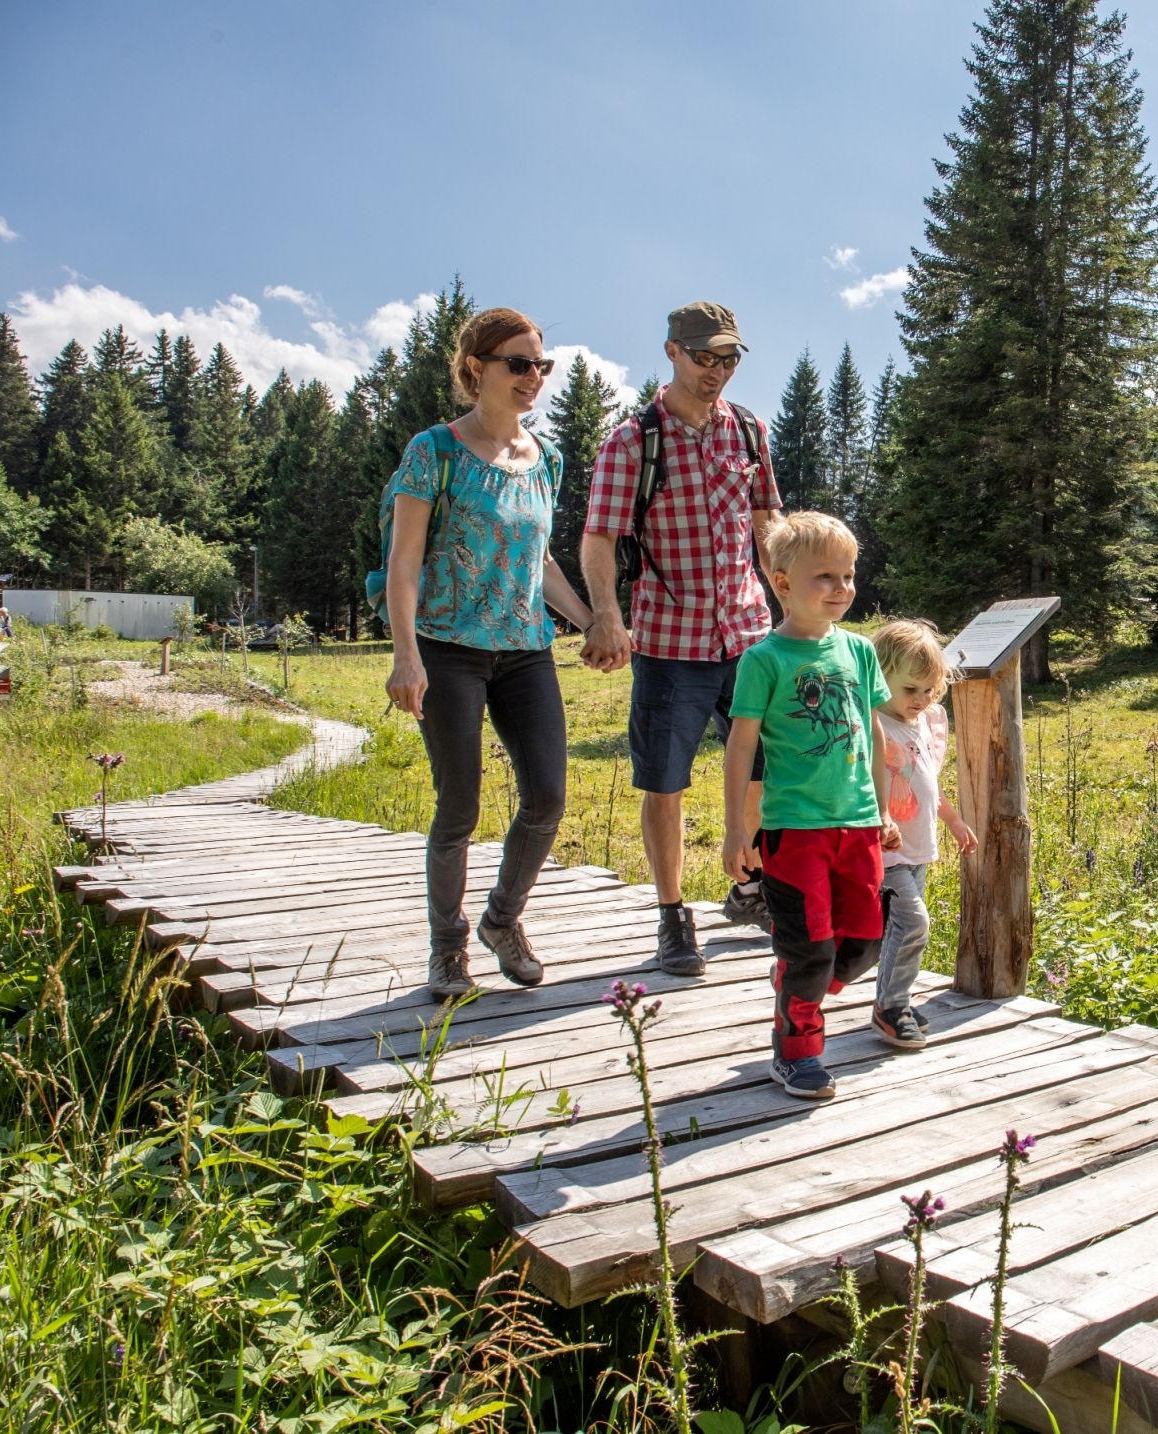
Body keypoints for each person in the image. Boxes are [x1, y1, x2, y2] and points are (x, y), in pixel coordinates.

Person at [381, 306, 601, 1000]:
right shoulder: (435, 451)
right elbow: (404, 563)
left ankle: (502, 921)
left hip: (524, 649)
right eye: (518, 363)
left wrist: (594, 621)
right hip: (448, 649)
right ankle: (447, 951)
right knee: (459, 807)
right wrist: (406, 655)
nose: (533, 377)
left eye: (541, 365)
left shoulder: (548, 458)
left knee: (547, 795)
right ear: (477, 368)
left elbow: (541, 563)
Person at [581, 301, 781, 976]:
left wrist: (798, 611)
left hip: (749, 636)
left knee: (761, 767)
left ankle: (749, 889)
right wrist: (607, 615)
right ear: (672, 352)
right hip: (670, 640)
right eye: (705, 358)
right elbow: (600, 537)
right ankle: (672, 917)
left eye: (729, 359)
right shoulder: (633, 441)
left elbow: (767, 527)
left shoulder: (749, 432)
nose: (717, 372)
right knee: (665, 781)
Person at [721, 513, 898, 1099]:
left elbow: (871, 733)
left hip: (859, 826)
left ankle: (797, 977)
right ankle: (796, 1052)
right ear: (782, 583)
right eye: (825, 576)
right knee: (811, 948)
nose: (843, 588)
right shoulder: (764, 660)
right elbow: (741, 746)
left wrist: (883, 808)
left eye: (848, 575)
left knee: (864, 942)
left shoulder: (858, 652)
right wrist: (734, 832)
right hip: (793, 832)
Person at [867, 620, 978, 1048]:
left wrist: (952, 818)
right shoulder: (875, 724)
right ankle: (890, 1008)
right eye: (910, 689)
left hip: (917, 849)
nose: (921, 699)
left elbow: (927, 779)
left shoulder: (924, 722)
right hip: (885, 850)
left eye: (929, 690)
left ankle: (894, 999)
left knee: (886, 932)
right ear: (880, 679)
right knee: (913, 923)